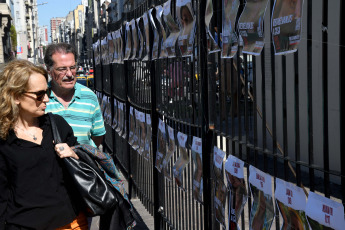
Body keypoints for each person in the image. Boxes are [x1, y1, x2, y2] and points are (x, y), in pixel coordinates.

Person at [0, 60, 88, 229]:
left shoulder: (57, 125)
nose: (47, 99)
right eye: (39, 94)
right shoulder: (4, 138)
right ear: (16, 96)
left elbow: (83, 166)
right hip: (24, 225)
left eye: (47, 91)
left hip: (71, 223)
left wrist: (75, 154)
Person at [44, 43, 106, 148]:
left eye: (72, 67)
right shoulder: (41, 97)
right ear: (49, 70)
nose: (69, 74)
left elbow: (97, 136)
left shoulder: (89, 97)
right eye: (62, 69)